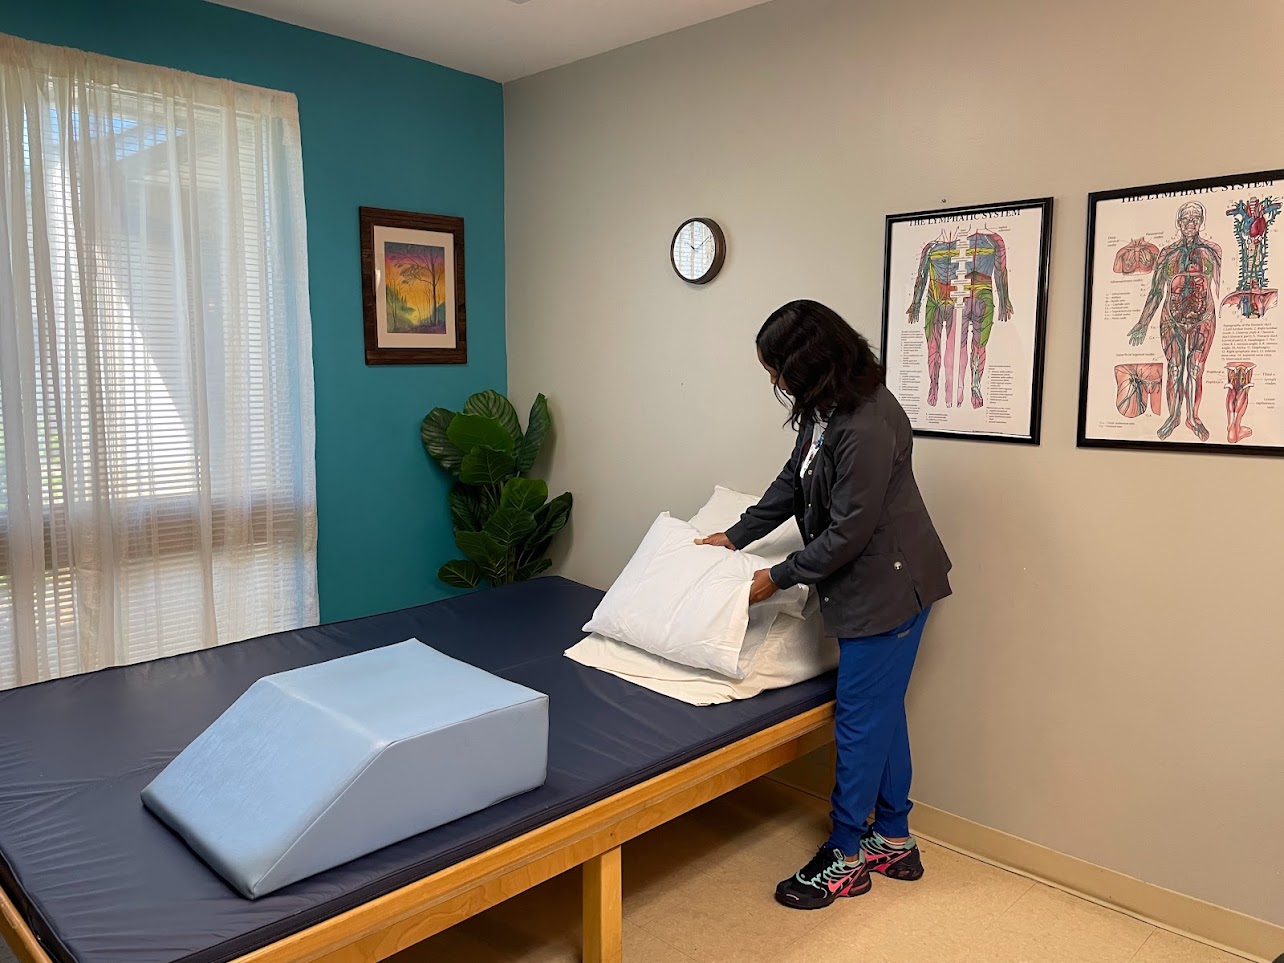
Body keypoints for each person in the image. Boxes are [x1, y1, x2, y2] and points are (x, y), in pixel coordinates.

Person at [697, 299, 952, 911]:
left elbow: (850, 532)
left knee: (861, 722)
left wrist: (777, 577)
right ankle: (892, 838)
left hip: (889, 590)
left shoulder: (865, 423)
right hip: (873, 580)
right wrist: (736, 534)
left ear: (810, 365)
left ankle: (844, 858)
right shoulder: (826, 409)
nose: (774, 382)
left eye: (777, 370)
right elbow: (793, 479)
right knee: (881, 712)